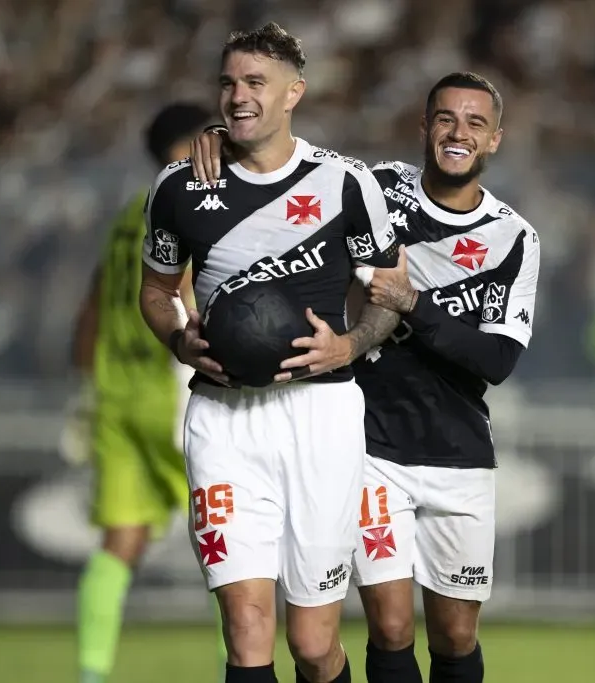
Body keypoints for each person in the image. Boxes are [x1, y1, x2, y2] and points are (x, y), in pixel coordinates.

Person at [190, 71, 541, 683]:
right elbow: (287, 173)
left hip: (457, 450)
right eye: (445, 119)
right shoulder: (374, 188)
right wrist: (234, 141)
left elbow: (497, 360)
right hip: (370, 443)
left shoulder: (515, 238)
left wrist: (412, 303)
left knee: (456, 636)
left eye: (475, 123)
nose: (458, 133)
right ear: (425, 126)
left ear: (494, 141)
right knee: (391, 626)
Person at [139, 23, 402, 683]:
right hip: (223, 420)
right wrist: (178, 336)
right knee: (247, 625)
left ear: (293, 94)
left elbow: (394, 291)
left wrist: (352, 340)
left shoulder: (346, 183)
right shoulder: (179, 186)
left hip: (320, 417)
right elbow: (155, 290)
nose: (237, 96)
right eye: (227, 82)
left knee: (314, 643)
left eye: (255, 81)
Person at [66, 101, 227, 683]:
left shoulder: (128, 216)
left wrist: (85, 392)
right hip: (174, 390)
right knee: (228, 539)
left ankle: (91, 672)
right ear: (187, 146)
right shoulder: (188, 204)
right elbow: (188, 291)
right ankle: (240, 666)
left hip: (115, 398)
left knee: (119, 542)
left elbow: (89, 312)